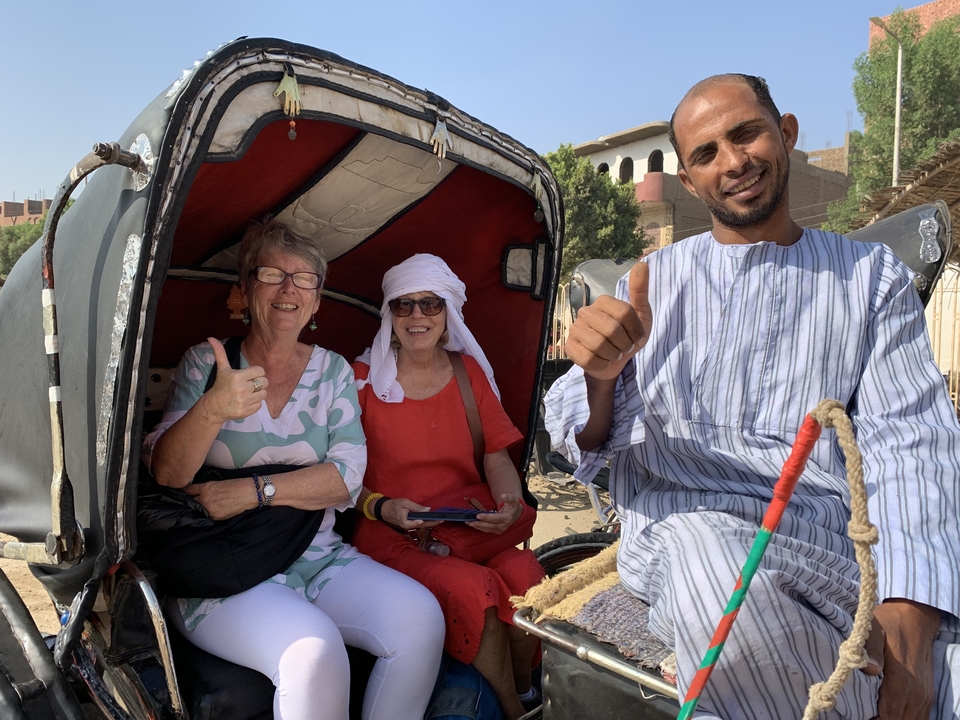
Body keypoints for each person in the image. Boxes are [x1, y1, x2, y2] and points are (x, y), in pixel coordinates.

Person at [545, 74, 960, 720]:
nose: (733, 161)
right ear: (690, 181)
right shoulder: (654, 281)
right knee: (717, 580)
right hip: (686, 537)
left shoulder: (870, 279)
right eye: (706, 153)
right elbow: (584, 439)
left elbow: (912, 440)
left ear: (785, 133)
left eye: (746, 134)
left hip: (829, 553)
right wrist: (600, 375)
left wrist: (909, 612)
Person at [142, 218, 445, 720]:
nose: (289, 289)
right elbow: (169, 475)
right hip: (224, 567)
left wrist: (252, 491)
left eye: (304, 279)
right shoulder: (207, 364)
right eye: (271, 274)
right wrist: (213, 409)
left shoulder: (333, 370)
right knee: (313, 652)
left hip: (318, 556)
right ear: (244, 291)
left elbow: (346, 477)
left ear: (317, 300)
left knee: (420, 619)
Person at [350, 253, 544, 720]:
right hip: (394, 536)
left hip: (469, 525)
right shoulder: (360, 381)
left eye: (430, 304)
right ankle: (513, 712)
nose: (417, 315)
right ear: (390, 313)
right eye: (404, 304)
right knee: (474, 590)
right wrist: (383, 507)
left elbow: (495, 456)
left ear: (448, 312)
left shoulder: (466, 373)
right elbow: (337, 476)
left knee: (527, 579)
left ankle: (526, 694)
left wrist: (508, 501)